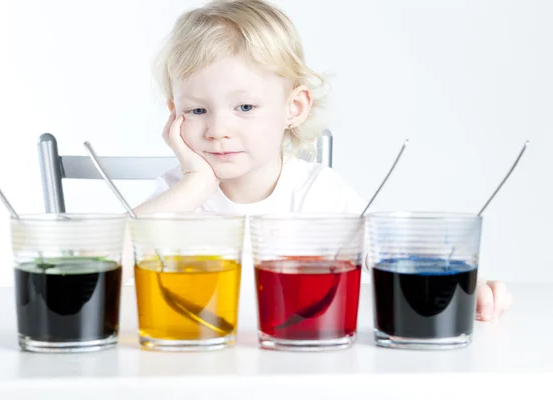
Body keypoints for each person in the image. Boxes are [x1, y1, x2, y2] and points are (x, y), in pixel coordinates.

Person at [133, 0, 511, 321]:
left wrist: (469, 284)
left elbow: (395, 260)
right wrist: (195, 184)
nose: (217, 128)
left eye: (244, 106)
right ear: (173, 115)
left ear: (293, 107)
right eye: (197, 110)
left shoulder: (321, 192)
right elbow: (111, 262)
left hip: (302, 352)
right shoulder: (175, 195)